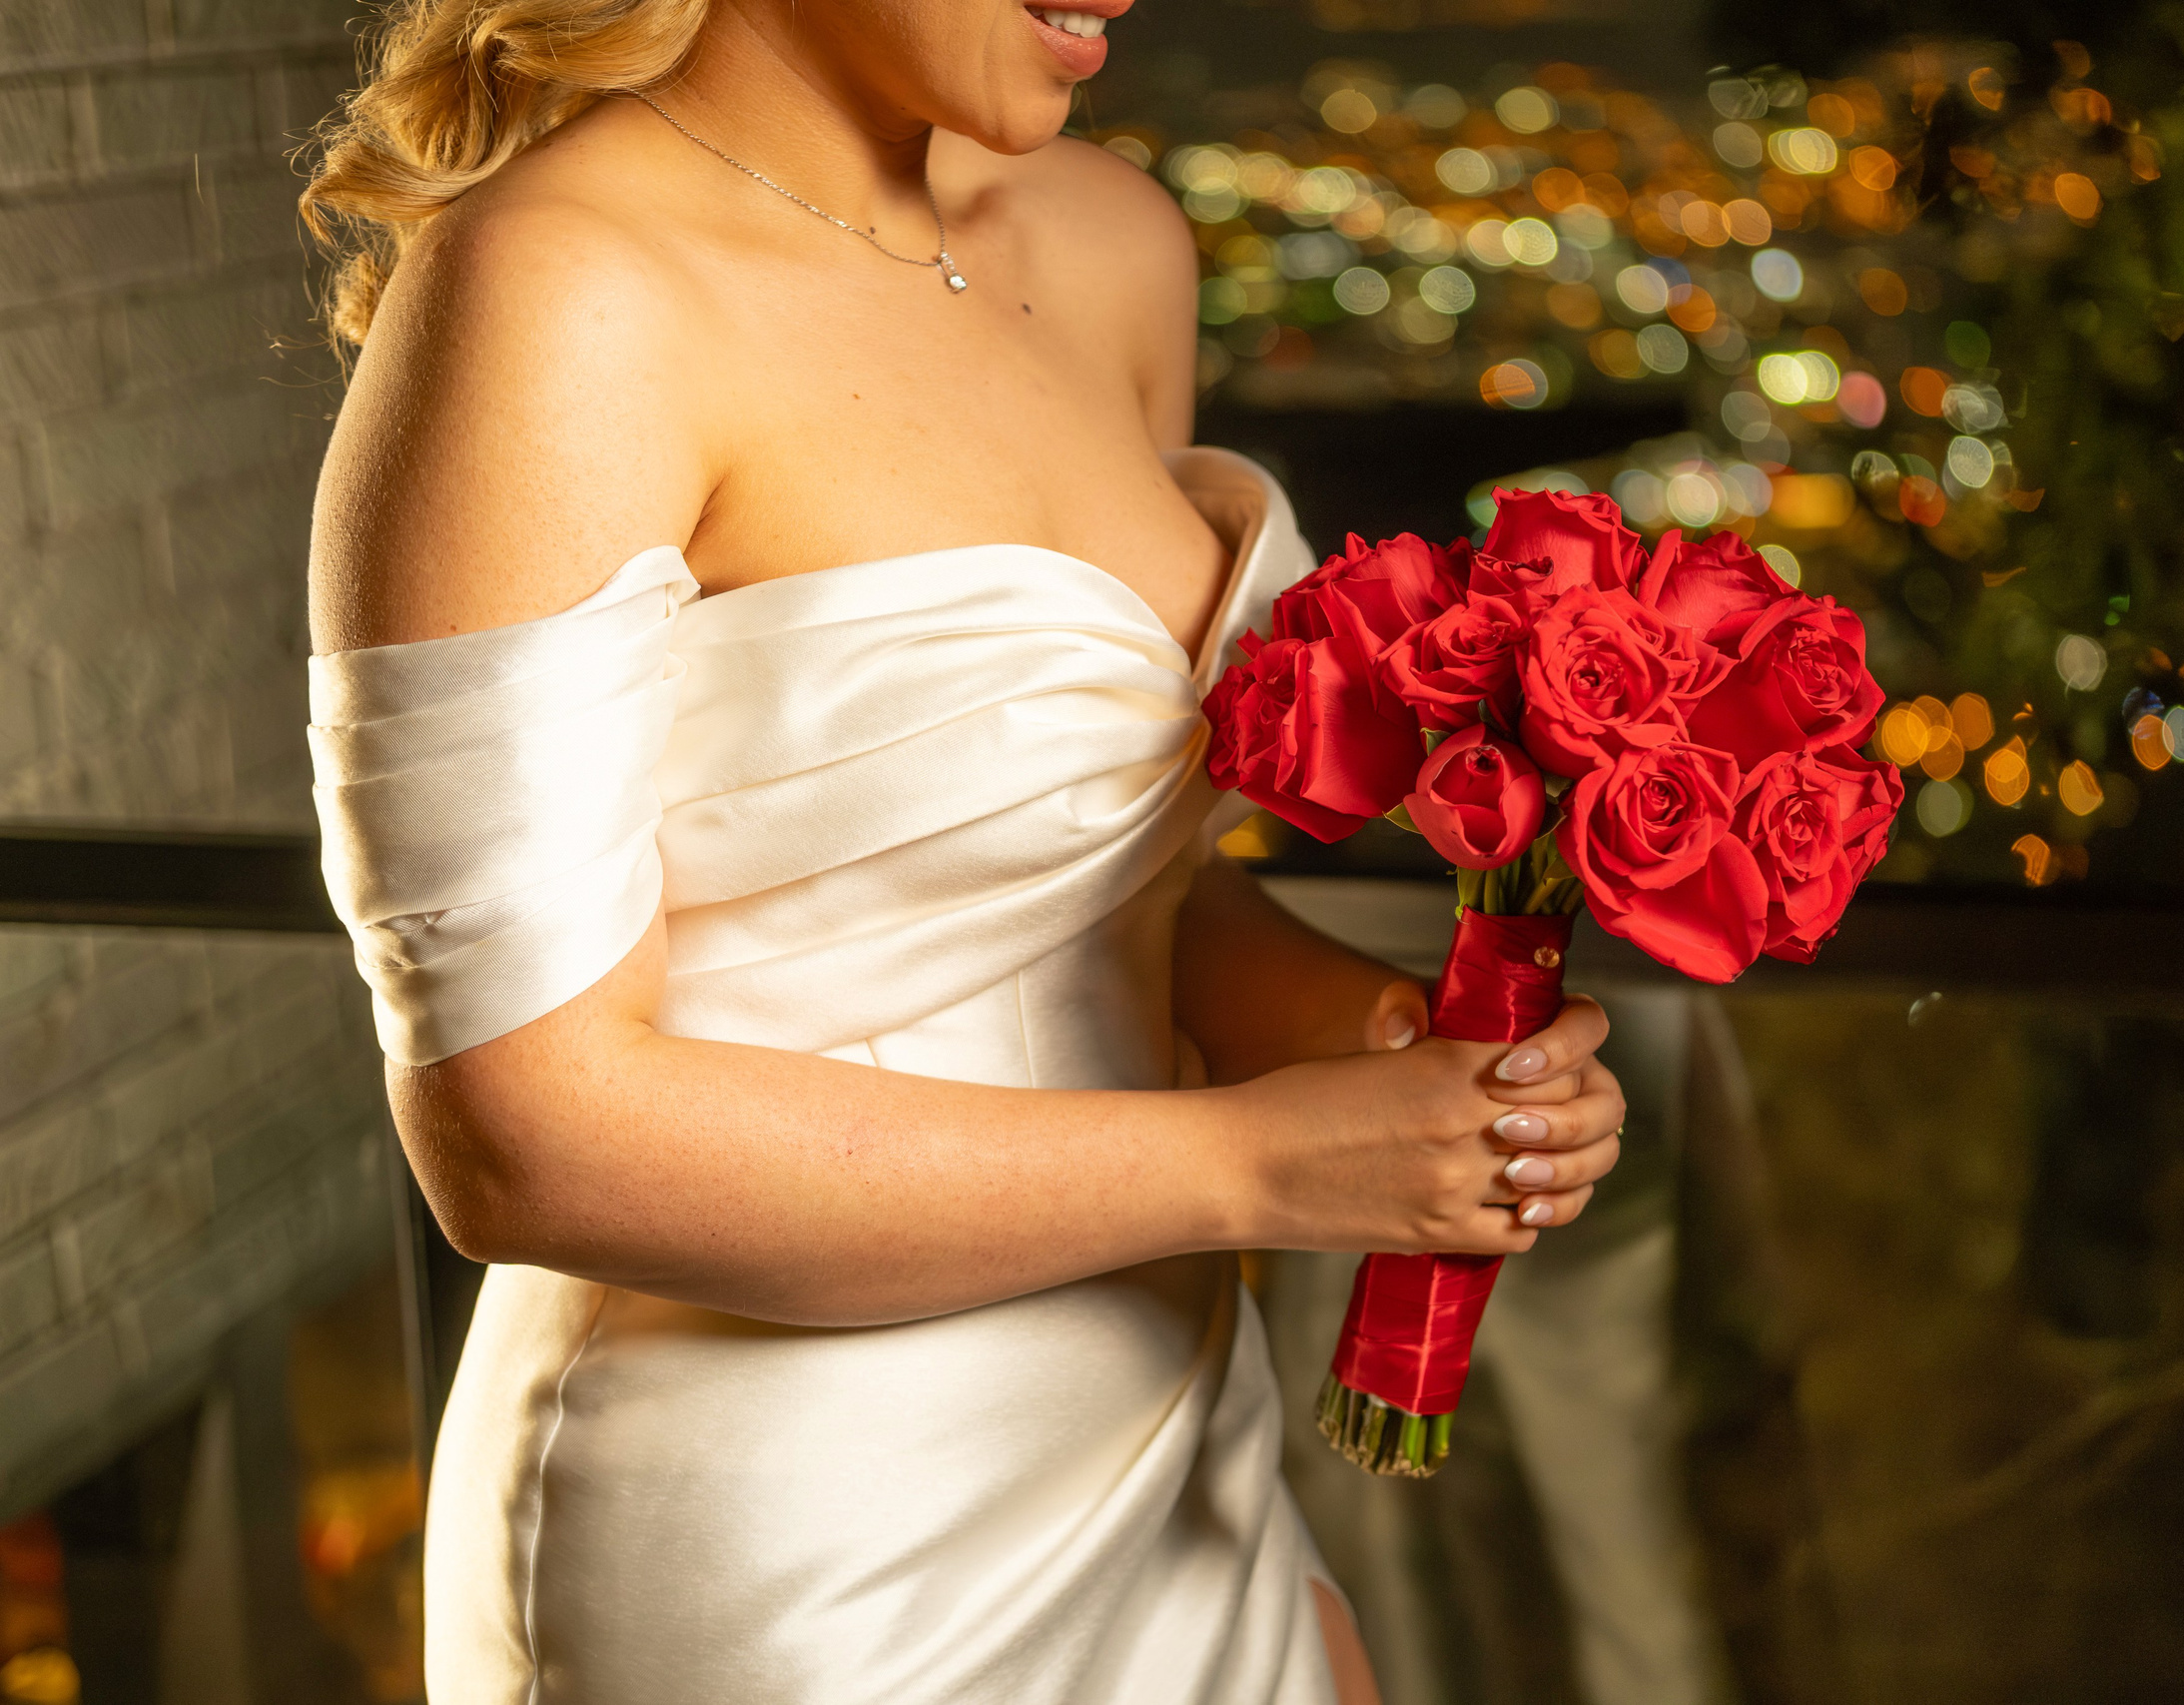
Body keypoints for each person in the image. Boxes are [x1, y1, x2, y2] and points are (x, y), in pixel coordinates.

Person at [297, 1, 1628, 1700]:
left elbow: (1101, 890)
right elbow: (522, 1144)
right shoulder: (559, 289)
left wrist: (1383, 1050)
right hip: (792, 1551)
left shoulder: (1108, 241)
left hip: (1172, 1460)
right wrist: (1263, 1167)